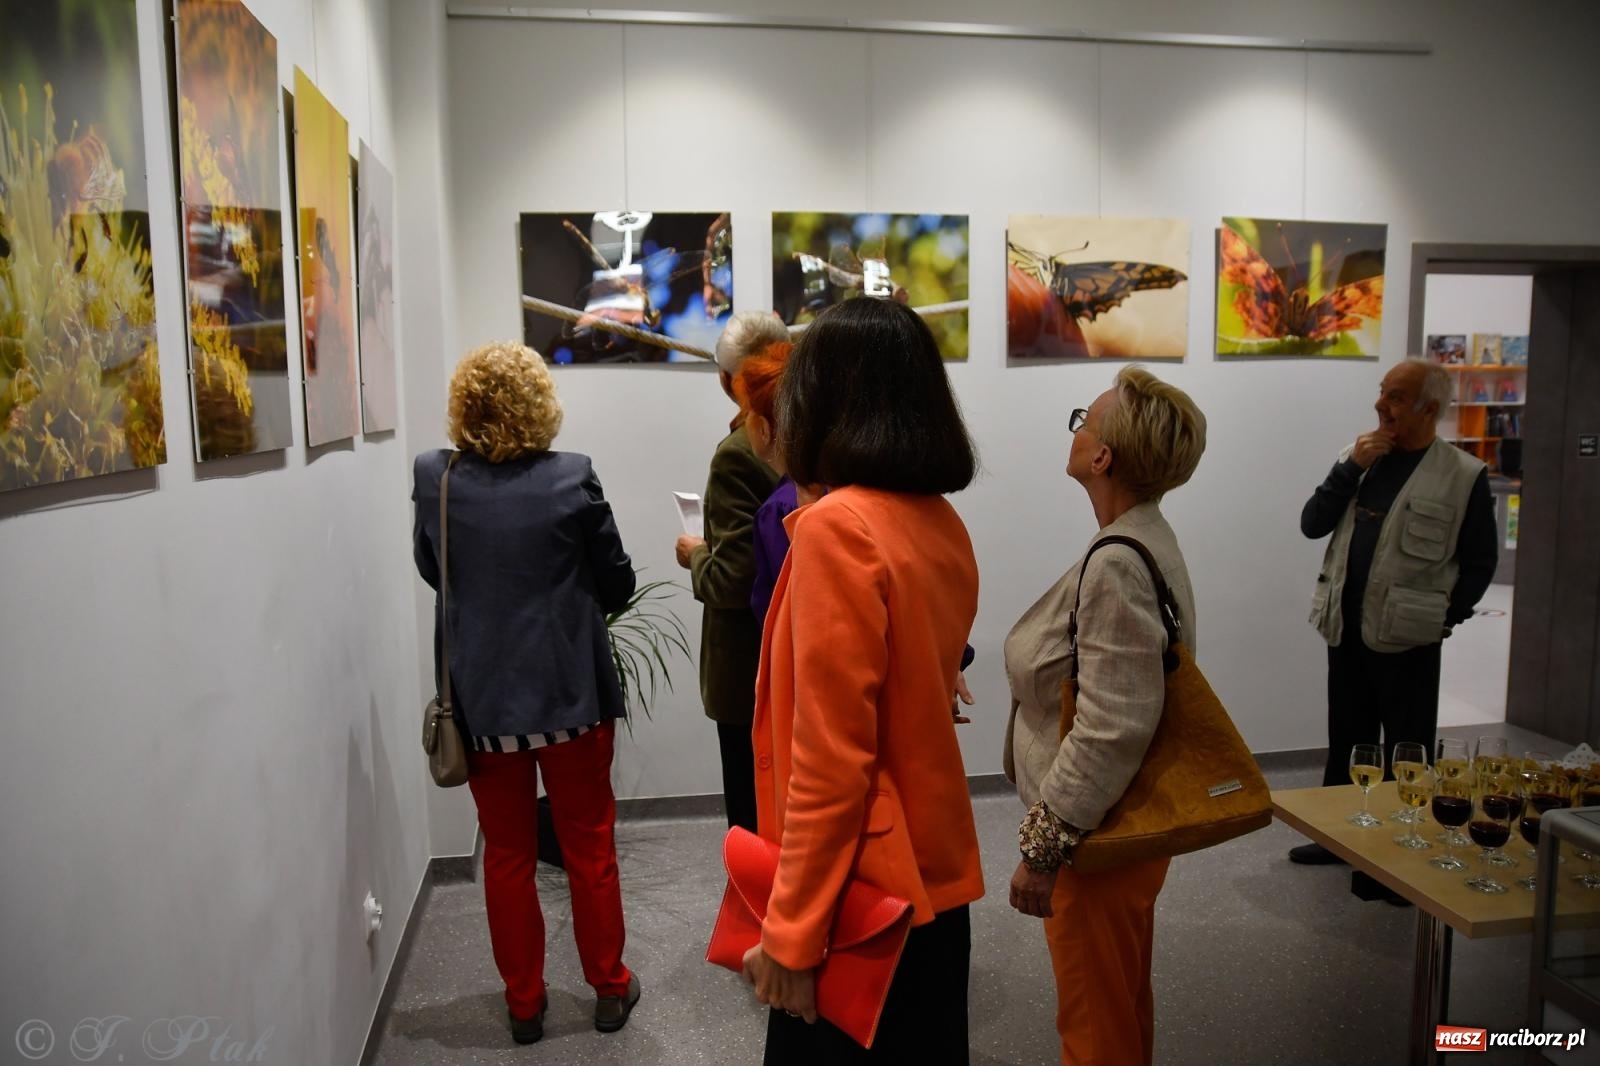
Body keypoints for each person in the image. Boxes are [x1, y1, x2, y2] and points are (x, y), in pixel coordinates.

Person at [739, 298, 983, 1064]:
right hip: (930, 885)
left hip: (862, 896)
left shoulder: (839, 529)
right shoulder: (936, 519)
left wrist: (791, 932)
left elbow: (832, 761)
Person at [411, 342, 641, 1045]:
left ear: (464, 406)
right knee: (588, 847)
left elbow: (433, 568)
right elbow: (619, 583)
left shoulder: (435, 476)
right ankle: (608, 988)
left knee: (508, 855)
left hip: (483, 705)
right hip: (570, 696)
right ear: (541, 406)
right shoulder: (572, 477)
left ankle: (523, 1005)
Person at [1003, 366, 1207, 1066]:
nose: (1077, 430)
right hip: (1120, 828)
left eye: (1082, 420)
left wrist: (1043, 848)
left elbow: (1112, 726)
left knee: (1094, 1021)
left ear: (1103, 457)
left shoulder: (1118, 560)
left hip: (1096, 838)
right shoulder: (1141, 535)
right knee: (1118, 1002)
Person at [1289, 358, 1498, 865]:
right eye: (1383, 393)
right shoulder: (1358, 459)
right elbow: (1312, 523)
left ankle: (1407, 850)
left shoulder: (1463, 474)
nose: (1382, 405)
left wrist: (1446, 618)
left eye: (1397, 398)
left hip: (1411, 636)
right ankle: (1336, 838)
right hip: (1346, 626)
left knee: (1408, 749)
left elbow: (1479, 561)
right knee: (1348, 740)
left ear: (1429, 408)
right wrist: (1350, 468)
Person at [674, 311, 788, 832]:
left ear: (726, 379)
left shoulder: (737, 456)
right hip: (795, 661)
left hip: (747, 670)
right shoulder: (815, 432)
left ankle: (759, 915)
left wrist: (695, 554)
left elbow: (733, 581)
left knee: (751, 817)